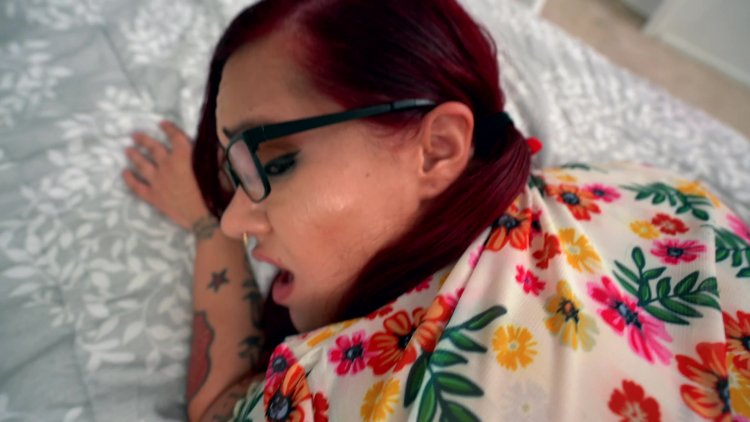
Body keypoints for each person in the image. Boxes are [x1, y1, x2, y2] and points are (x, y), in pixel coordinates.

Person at [122, 0, 750, 421]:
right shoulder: (657, 192)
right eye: (233, 182)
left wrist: (206, 231)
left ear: (439, 148)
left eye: (277, 163)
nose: (236, 220)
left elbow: (221, 408)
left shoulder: (341, 391)